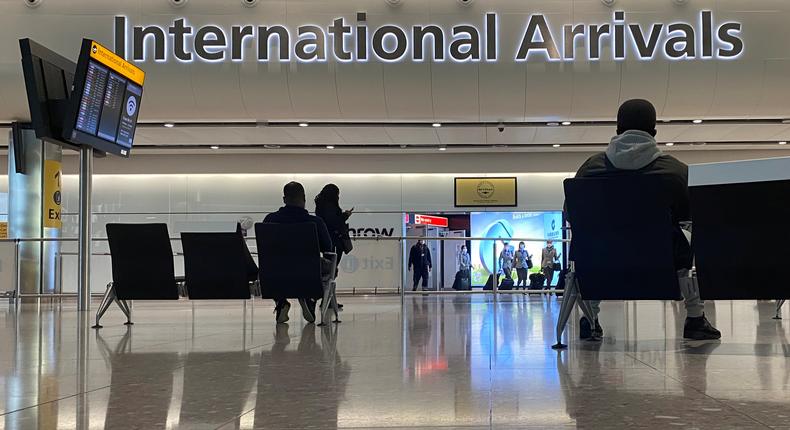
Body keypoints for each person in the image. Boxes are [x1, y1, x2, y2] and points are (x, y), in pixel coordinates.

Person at [573, 98, 720, 341]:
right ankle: (695, 317)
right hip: (662, 265)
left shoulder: (590, 168)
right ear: (654, 131)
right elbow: (691, 217)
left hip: (602, 264)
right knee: (686, 242)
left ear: (618, 129)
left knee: (594, 245)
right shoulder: (676, 171)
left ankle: (591, 317)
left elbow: (572, 214)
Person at [263, 181, 334, 324]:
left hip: (277, 272)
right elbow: (329, 249)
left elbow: (265, 248)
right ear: (304, 198)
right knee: (329, 268)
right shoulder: (316, 222)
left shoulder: (270, 220)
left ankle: (281, 301)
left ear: (284, 200)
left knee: (277, 265)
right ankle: (310, 297)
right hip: (309, 272)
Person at [315, 184, 353, 309]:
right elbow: (334, 222)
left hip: (327, 241)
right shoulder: (330, 206)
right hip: (335, 242)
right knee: (331, 271)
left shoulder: (321, 206)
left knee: (330, 271)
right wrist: (345, 216)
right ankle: (326, 299)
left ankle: (328, 299)